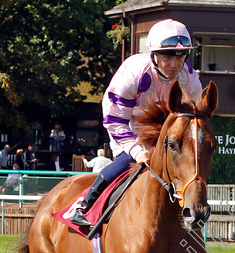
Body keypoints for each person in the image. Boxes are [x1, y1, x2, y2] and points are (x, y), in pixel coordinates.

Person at [70, 19, 201, 227]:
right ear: (154, 55)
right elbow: (115, 121)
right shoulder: (133, 74)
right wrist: (138, 151)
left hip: (163, 129)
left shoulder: (190, 79)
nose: (174, 65)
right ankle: (85, 207)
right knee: (126, 163)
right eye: (167, 57)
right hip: (126, 124)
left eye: (180, 57)